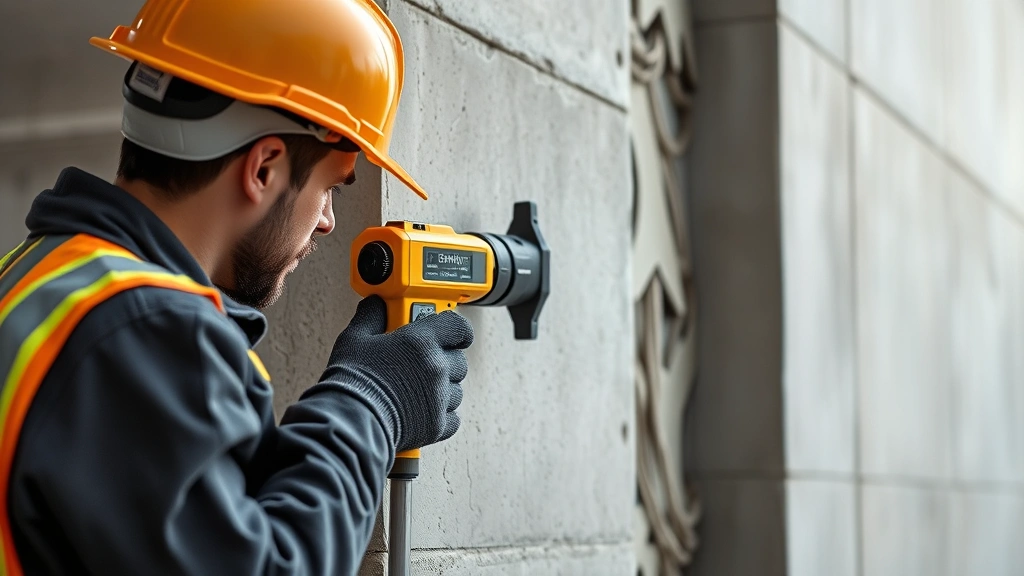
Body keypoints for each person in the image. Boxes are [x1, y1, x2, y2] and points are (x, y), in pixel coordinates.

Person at [0, 0, 472, 574]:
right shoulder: (146, 331)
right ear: (265, 168)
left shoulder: (32, 275)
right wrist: (369, 404)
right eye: (332, 187)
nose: (325, 220)